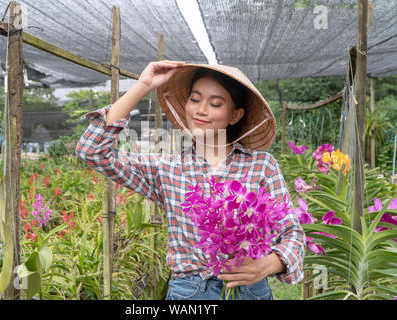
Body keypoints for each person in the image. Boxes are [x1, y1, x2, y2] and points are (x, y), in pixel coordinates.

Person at [76, 60, 305, 300]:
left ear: (235, 115)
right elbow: (91, 151)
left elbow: (292, 233)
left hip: (250, 291)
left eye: (215, 103)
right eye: (195, 99)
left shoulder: (261, 165)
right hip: (190, 293)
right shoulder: (166, 169)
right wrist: (142, 86)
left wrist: (268, 264)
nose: (201, 110)